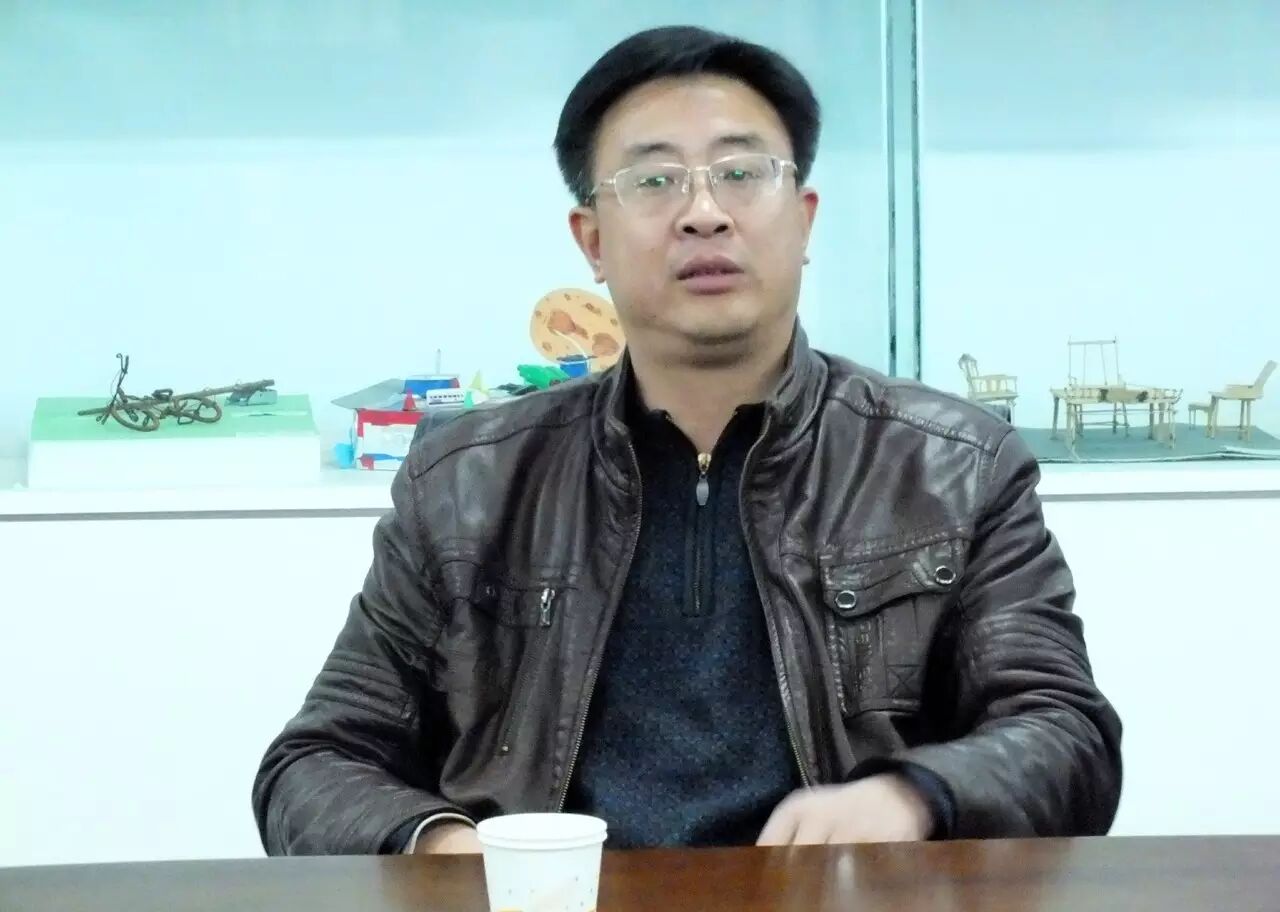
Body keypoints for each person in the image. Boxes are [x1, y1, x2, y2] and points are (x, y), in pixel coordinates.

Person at [253, 25, 1122, 855]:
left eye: (741, 173)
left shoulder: (953, 467)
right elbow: (315, 761)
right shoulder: (466, 484)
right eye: (654, 181)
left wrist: (912, 796)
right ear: (592, 241)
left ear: (805, 220)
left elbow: (1065, 734)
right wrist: (447, 848)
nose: (704, 214)